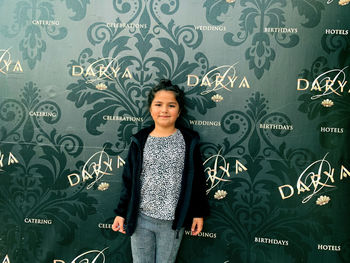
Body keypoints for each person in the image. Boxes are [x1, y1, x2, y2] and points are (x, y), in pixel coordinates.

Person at [112, 79, 210, 263]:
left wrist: (198, 212)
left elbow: (197, 180)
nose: (164, 110)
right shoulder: (140, 140)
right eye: (158, 104)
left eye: (171, 105)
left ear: (179, 111)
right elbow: (129, 180)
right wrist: (121, 212)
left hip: (172, 223)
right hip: (141, 219)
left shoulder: (188, 141)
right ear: (150, 109)